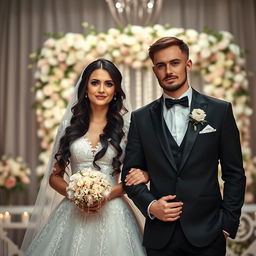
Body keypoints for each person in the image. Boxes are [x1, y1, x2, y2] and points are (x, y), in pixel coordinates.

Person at [121, 37, 246, 256]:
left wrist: (227, 224)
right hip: (160, 238)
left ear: (188, 64)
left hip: (209, 234)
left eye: (174, 63)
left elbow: (234, 173)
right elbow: (129, 177)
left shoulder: (220, 111)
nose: (168, 70)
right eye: (161, 65)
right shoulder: (140, 119)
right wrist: (151, 207)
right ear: (154, 70)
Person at [22, 58, 147, 256]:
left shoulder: (127, 129)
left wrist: (105, 196)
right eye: (95, 82)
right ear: (85, 87)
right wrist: (76, 195)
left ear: (116, 90)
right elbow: (55, 177)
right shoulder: (69, 127)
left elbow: (133, 178)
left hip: (114, 212)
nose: (101, 89)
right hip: (73, 210)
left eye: (109, 83)